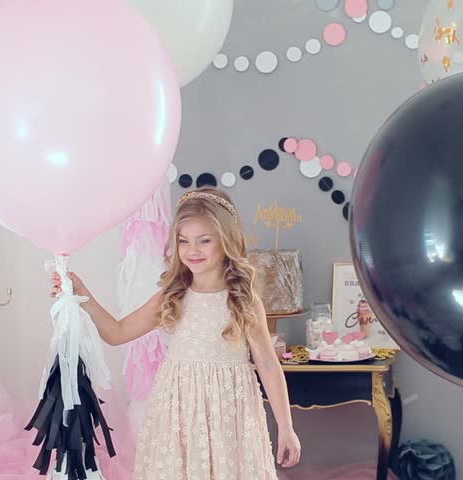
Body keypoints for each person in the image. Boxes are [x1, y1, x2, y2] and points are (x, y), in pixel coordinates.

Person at [50, 187, 301, 479]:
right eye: (184, 241)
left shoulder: (242, 299)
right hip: (179, 411)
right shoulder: (173, 295)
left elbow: (268, 365)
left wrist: (286, 426)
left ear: (227, 241)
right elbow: (117, 333)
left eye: (204, 241)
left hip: (229, 412)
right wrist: (82, 293)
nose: (192, 250)